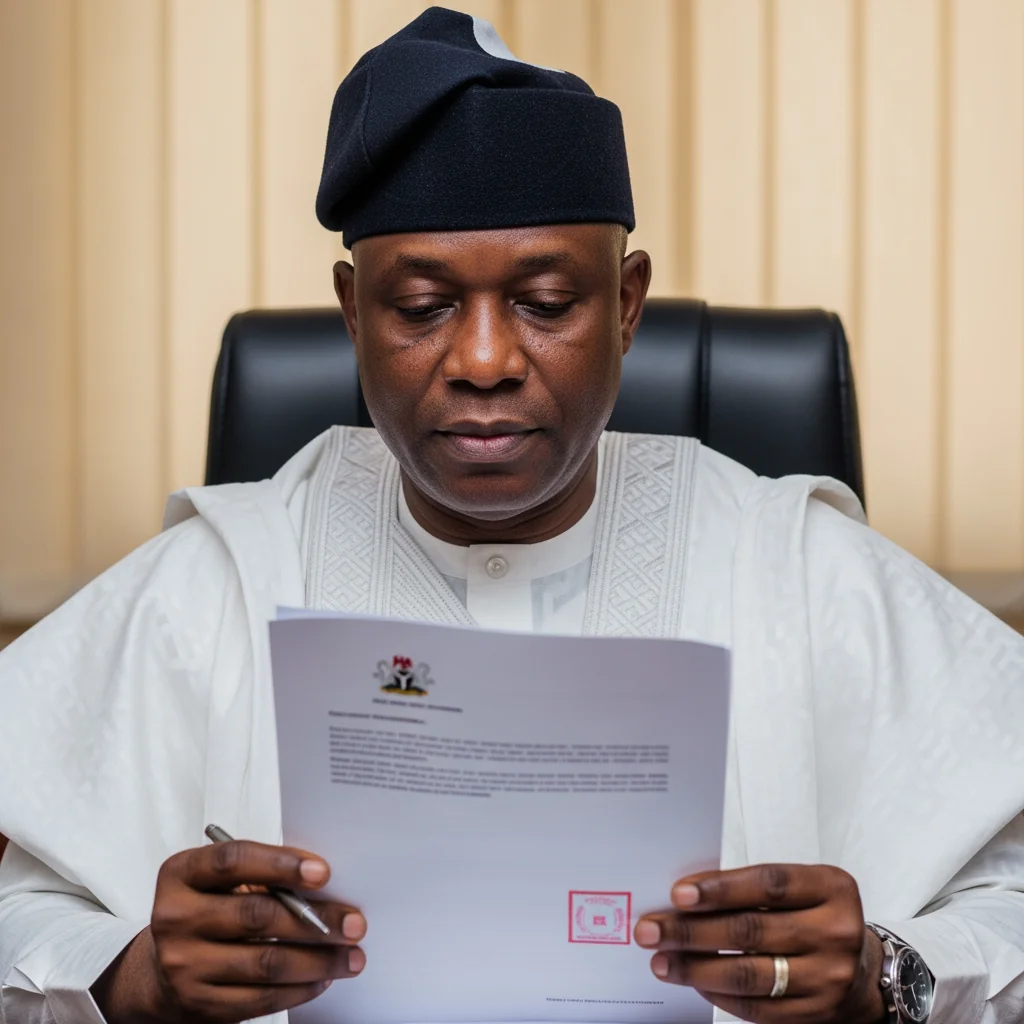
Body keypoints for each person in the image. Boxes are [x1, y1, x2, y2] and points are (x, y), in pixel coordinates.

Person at [1, 7, 1023, 1024]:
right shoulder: (218, 579)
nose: (483, 360)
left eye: (543, 301)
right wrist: (129, 977)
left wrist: (890, 976)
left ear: (626, 305)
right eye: (420, 307)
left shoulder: (799, 569)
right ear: (353, 313)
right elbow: (24, 915)